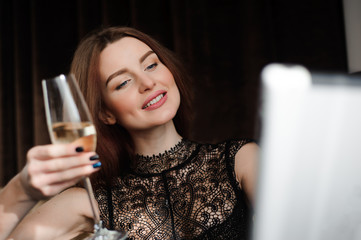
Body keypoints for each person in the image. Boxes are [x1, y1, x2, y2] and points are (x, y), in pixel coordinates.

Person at [2, 26, 258, 239]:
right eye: (123, 82)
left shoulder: (242, 160)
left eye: (151, 65)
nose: (148, 83)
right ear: (105, 113)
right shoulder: (88, 202)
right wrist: (21, 189)